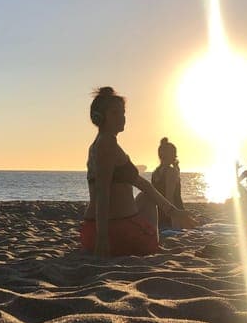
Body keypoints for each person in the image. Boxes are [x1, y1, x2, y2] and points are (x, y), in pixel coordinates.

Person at [82, 87, 197, 257]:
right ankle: (152, 246)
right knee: (147, 203)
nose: (122, 117)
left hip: (97, 230)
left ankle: (152, 243)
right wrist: (102, 237)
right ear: (100, 117)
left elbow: (144, 185)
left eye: (123, 112)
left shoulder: (104, 144)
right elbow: (102, 191)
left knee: (146, 196)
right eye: (115, 113)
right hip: (114, 231)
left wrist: (174, 212)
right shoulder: (106, 144)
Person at [151, 137, 183, 229]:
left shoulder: (155, 173)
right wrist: (175, 222)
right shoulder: (171, 172)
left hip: (159, 214)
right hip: (172, 213)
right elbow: (170, 197)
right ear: (173, 155)